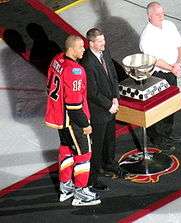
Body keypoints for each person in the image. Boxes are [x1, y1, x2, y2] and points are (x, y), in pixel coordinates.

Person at [44, 35, 101, 206]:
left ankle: (66, 188)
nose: (84, 50)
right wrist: (86, 125)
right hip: (72, 121)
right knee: (84, 154)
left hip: (59, 118)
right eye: (81, 47)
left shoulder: (57, 60)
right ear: (71, 49)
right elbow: (74, 105)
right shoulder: (75, 71)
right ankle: (81, 194)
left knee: (66, 151)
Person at [80, 28, 125, 191]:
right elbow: (92, 92)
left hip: (111, 106)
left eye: (103, 40)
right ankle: (92, 178)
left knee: (110, 139)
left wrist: (116, 98)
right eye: (100, 41)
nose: (103, 43)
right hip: (98, 111)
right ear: (91, 43)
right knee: (97, 145)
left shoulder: (105, 53)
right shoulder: (87, 62)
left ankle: (110, 164)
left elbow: (113, 76)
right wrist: (109, 105)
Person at [139, 2, 181, 151]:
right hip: (157, 75)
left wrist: (178, 64)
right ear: (149, 16)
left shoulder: (170, 25)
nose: (161, 16)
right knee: (157, 107)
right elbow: (155, 60)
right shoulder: (146, 37)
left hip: (173, 71)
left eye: (162, 13)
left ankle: (167, 133)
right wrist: (173, 68)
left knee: (170, 104)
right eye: (158, 14)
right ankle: (157, 138)